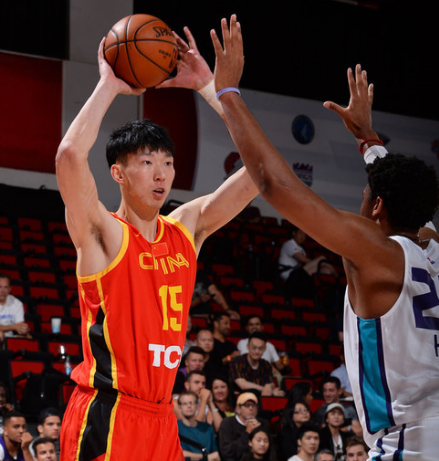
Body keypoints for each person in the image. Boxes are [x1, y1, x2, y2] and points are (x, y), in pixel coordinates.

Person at [211, 16, 439, 460]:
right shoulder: (438, 248)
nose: (362, 203)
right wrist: (368, 140)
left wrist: (227, 91)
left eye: (365, 196)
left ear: (377, 207)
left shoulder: (378, 252)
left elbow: (274, 184)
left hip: (412, 444)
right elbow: (399, 192)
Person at [55, 20, 260, 461]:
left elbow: (261, 168)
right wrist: (109, 84)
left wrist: (211, 88)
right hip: (109, 411)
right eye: (147, 162)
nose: (161, 173)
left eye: (167, 162)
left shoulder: (186, 228)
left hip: (162, 417)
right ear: (118, 173)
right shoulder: (104, 234)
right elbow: (70, 156)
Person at [218, 392, 270, 461]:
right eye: (247, 405)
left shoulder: (263, 424)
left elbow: (270, 451)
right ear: (238, 409)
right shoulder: (227, 423)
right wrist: (247, 432)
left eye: (254, 405)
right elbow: (227, 453)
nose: (251, 408)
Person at [229, 332, 284, 396]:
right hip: (239, 397)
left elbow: (269, 385)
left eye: (260, 348)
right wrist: (268, 390)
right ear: (247, 347)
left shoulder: (266, 364)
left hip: (259, 398)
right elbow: (243, 385)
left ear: (265, 349)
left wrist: (270, 388)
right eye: (254, 348)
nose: (257, 351)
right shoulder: (237, 361)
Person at [0, 274, 31, 342]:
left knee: (28, 337)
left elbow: (19, 327)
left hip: (9, 337)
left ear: (10, 289)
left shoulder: (17, 303)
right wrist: (14, 326)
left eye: (6, 287)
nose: (3, 290)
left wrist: (24, 329)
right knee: (0, 334)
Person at [177, 391, 220, 461]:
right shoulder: (174, 428)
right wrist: (205, 456)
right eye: (185, 403)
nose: (189, 406)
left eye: (192, 403)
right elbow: (177, 453)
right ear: (179, 407)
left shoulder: (208, 428)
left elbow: (215, 455)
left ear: (197, 406)